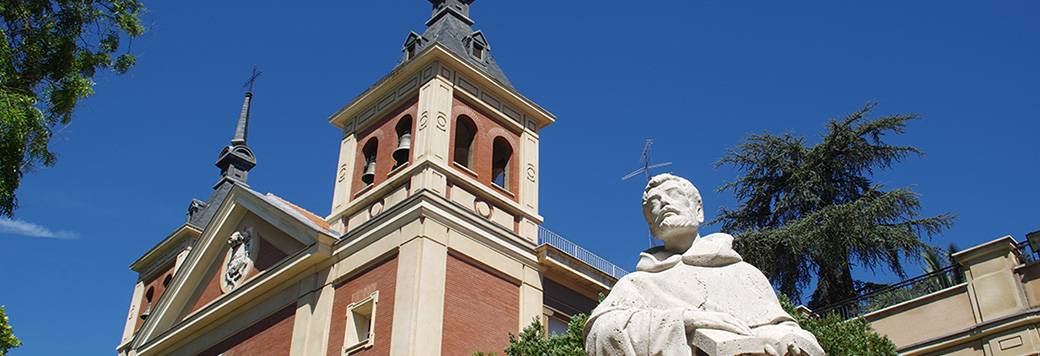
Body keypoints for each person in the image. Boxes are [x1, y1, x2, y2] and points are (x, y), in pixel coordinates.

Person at [584, 174, 823, 356]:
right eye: (654, 203)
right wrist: (685, 320)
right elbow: (600, 335)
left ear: (698, 211)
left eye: (673, 194)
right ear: (651, 227)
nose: (664, 203)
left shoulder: (744, 274)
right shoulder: (636, 284)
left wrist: (791, 343)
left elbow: (783, 328)